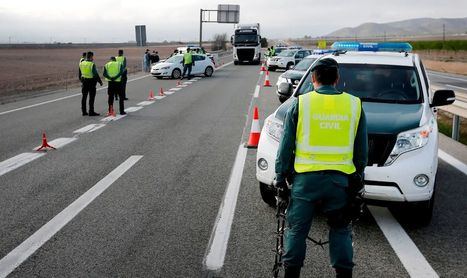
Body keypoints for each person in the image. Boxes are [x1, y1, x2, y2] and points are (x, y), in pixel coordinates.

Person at [275, 58, 368, 278]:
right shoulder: (354, 104)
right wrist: (358, 176)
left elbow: (286, 144)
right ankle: (343, 274)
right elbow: (361, 149)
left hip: (305, 181)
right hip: (340, 182)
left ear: (313, 78)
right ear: (337, 79)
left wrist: (280, 175)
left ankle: (292, 273)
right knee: (340, 229)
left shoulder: (300, 103)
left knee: (297, 230)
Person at [78, 51, 103, 116]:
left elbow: (80, 73)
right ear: (91, 56)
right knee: (91, 98)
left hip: (84, 82)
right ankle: (91, 111)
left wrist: (81, 80)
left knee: (84, 97)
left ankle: (84, 111)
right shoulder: (92, 64)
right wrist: (100, 81)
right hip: (91, 82)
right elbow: (95, 74)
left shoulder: (81, 63)